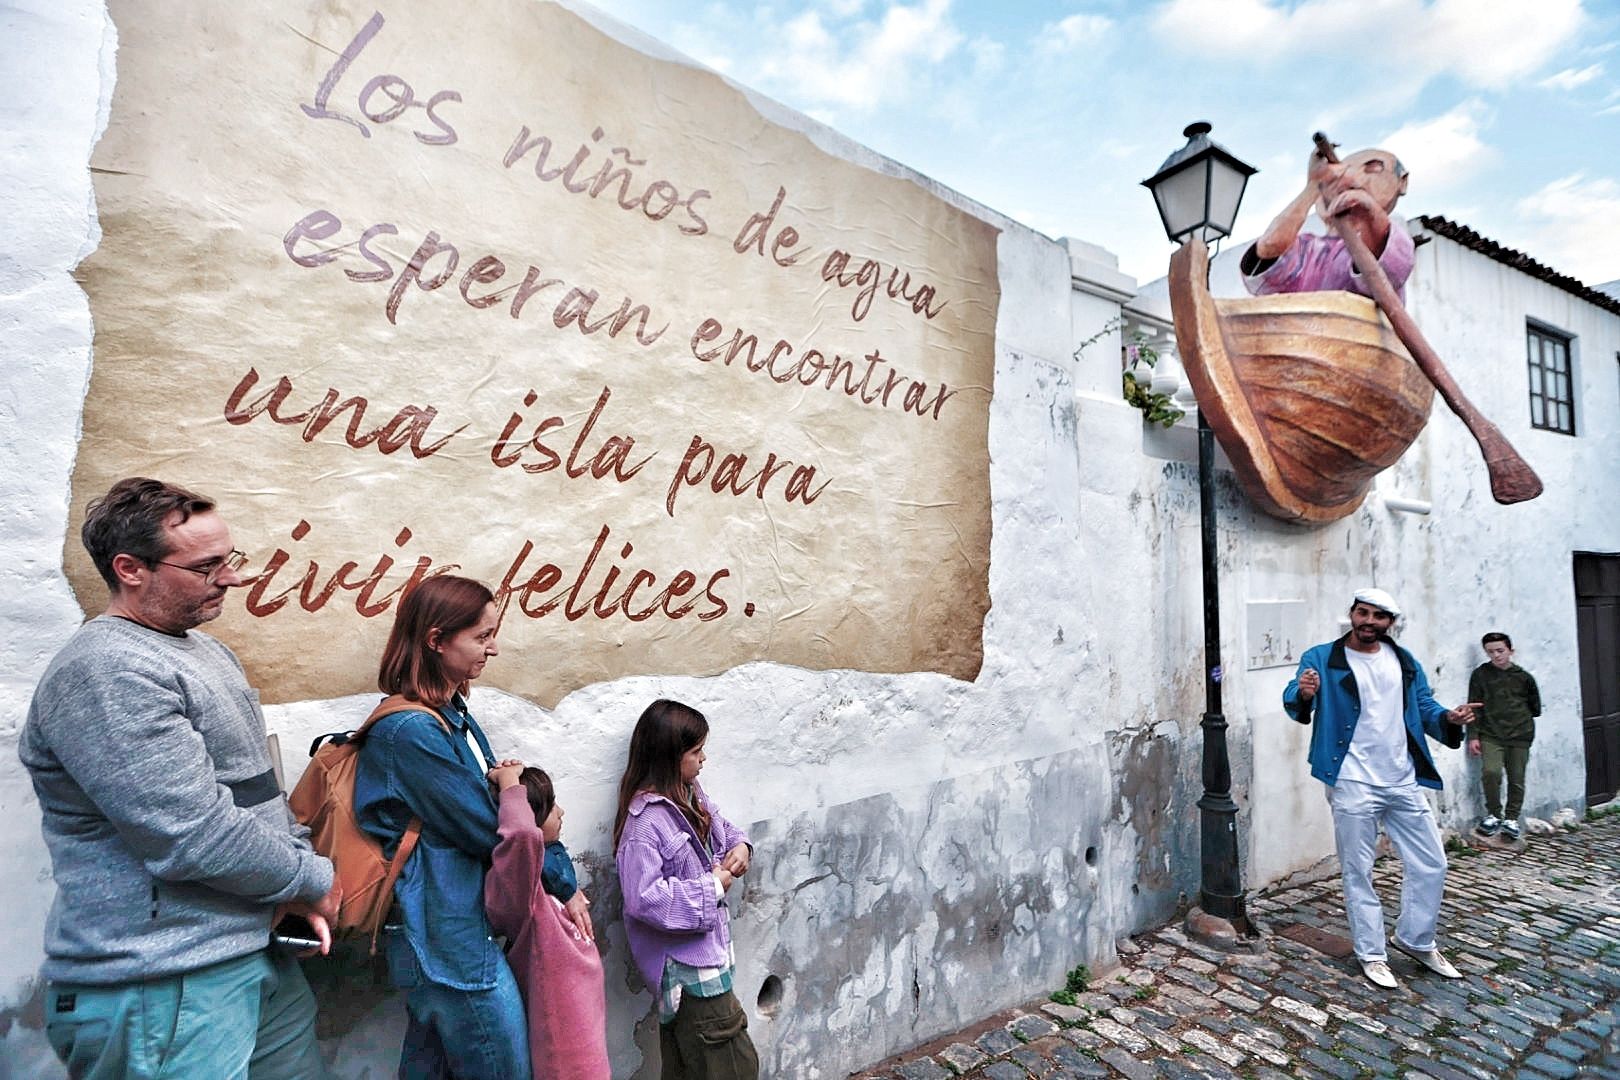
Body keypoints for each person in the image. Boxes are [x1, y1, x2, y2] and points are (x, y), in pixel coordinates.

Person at [20, 476, 338, 1078]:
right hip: (163, 984)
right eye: (207, 566)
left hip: (250, 955)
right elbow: (193, 835)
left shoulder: (204, 653)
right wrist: (311, 878)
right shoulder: (107, 670)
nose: (234, 577)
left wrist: (290, 888)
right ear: (130, 569)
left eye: (230, 558)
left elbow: (257, 794)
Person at [354, 575, 530, 1079]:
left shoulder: (449, 713)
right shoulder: (411, 731)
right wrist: (513, 791)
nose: (493, 648)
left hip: (455, 928)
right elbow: (487, 830)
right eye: (481, 636)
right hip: (445, 939)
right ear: (435, 640)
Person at [1283, 587, 1479, 990]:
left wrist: (1450, 718)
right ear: (1352, 614)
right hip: (1352, 779)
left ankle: (1414, 939)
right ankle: (1371, 952)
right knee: (1359, 870)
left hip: (1402, 778)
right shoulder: (1322, 658)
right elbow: (1296, 698)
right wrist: (1303, 694)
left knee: (1432, 863)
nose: (1369, 621)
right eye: (1363, 613)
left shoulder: (1404, 661)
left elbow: (1424, 707)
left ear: (1390, 623)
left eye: (1379, 616)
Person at [614, 700, 759, 1080]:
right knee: (732, 1067)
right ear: (668, 757)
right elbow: (644, 899)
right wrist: (713, 886)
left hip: (710, 957)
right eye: (696, 752)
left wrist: (740, 847)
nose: (703, 759)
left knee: (690, 1067)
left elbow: (721, 828)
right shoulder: (644, 826)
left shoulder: (690, 792)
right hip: (689, 972)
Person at [486, 764, 611, 1080]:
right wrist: (509, 781)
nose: (562, 811)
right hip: (564, 1059)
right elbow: (523, 837)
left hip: (589, 1048)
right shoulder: (525, 895)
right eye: (551, 805)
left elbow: (544, 848)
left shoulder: (552, 877)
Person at [1240, 144, 1415, 300]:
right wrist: (1314, 185)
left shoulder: (1391, 236)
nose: (1349, 178)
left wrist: (1366, 207)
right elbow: (1269, 248)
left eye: (1373, 168)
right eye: (1342, 172)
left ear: (1402, 182)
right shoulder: (1306, 247)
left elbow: (1382, 273)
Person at [1467, 632, 1542, 841]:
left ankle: (1512, 818)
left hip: (1520, 734)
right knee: (1491, 772)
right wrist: (1473, 735)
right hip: (1490, 733)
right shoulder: (1481, 675)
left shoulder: (1524, 677)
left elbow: (1535, 707)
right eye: (1490, 652)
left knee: (1517, 778)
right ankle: (1493, 814)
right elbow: (1474, 705)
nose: (1496, 655)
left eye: (1500, 651)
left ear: (1511, 651)